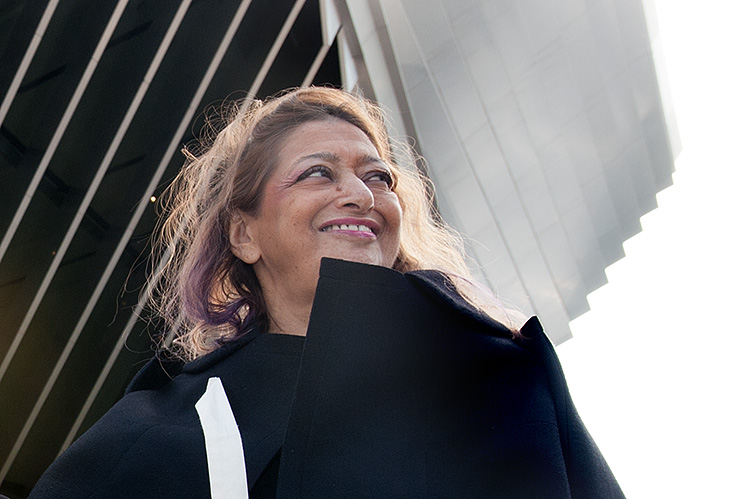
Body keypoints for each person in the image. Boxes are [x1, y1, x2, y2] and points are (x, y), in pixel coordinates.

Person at [30, 87, 625, 498]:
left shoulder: (502, 377)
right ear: (244, 233)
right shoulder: (171, 424)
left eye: (378, 177)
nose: (362, 196)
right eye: (318, 172)